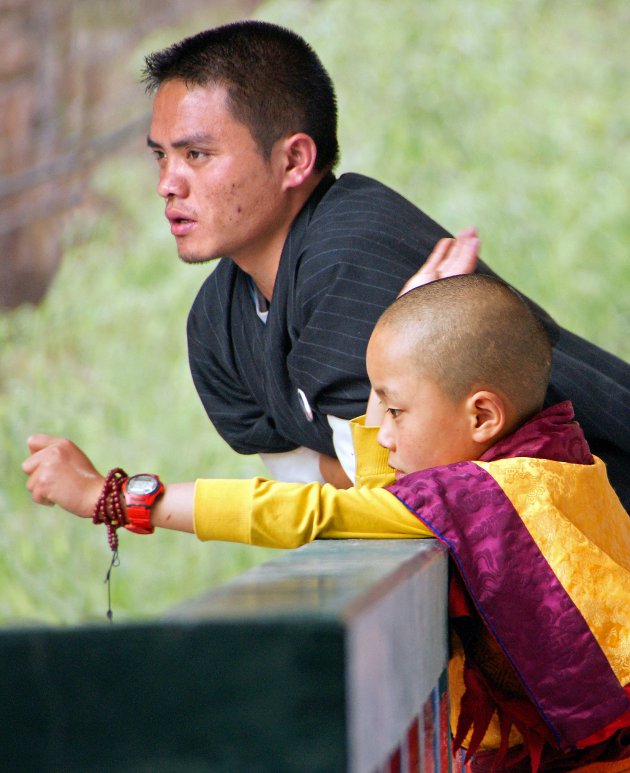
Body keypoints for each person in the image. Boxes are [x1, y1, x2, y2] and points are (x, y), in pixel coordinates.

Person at [23, 274, 630, 773]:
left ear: (481, 416)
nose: (382, 432)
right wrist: (396, 361)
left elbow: (316, 511)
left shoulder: (481, 495)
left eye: (394, 409)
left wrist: (113, 496)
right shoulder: (558, 461)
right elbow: (388, 502)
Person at [138, 19, 630, 506]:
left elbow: (394, 487)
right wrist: (341, 471)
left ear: (294, 160)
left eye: (197, 154)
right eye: (161, 156)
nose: (168, 183)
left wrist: (336, 471)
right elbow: (300, 477)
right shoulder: (215, 324)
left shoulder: (348, 255)